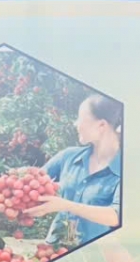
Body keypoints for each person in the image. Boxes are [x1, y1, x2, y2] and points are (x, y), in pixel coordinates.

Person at [25, 94, 123, 246]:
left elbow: (116, 216)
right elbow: (35, 183)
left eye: (80, 118)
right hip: (56, 248)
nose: (75, 124)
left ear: (101, 125)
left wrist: (66, 205)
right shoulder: (68, 157)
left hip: (97, 253)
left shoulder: (125, 170)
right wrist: (21, 178)